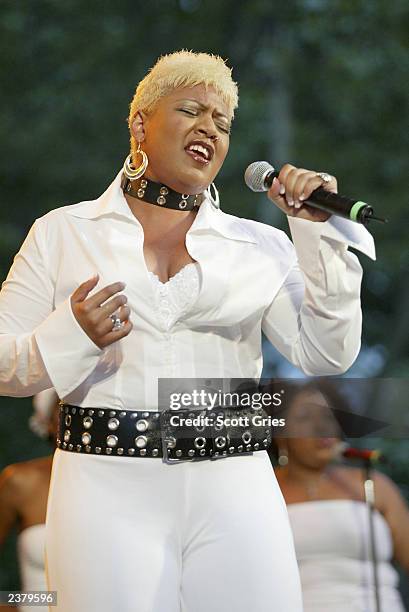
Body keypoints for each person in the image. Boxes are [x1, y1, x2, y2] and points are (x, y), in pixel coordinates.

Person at [0, 50, 375, 612]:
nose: (210, 129)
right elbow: (6, 367)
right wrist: (73, 334)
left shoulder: (260, 245)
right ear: (139, 124)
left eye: (223, 124)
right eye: (191, 110)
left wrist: (316, 235)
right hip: (106, 483)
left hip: (236, 482)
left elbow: (327, 354)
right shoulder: (63, 232)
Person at [272, 381, 409, 611]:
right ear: (280, 435)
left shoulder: (372, 483)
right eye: (305, 418)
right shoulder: (266, 491)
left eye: (328, 417)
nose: (321, 427)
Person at [0, 390, 58, 612]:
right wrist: (15, 603)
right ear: (48, 421)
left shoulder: (127, 485)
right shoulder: (20, 481)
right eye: (63, 411)